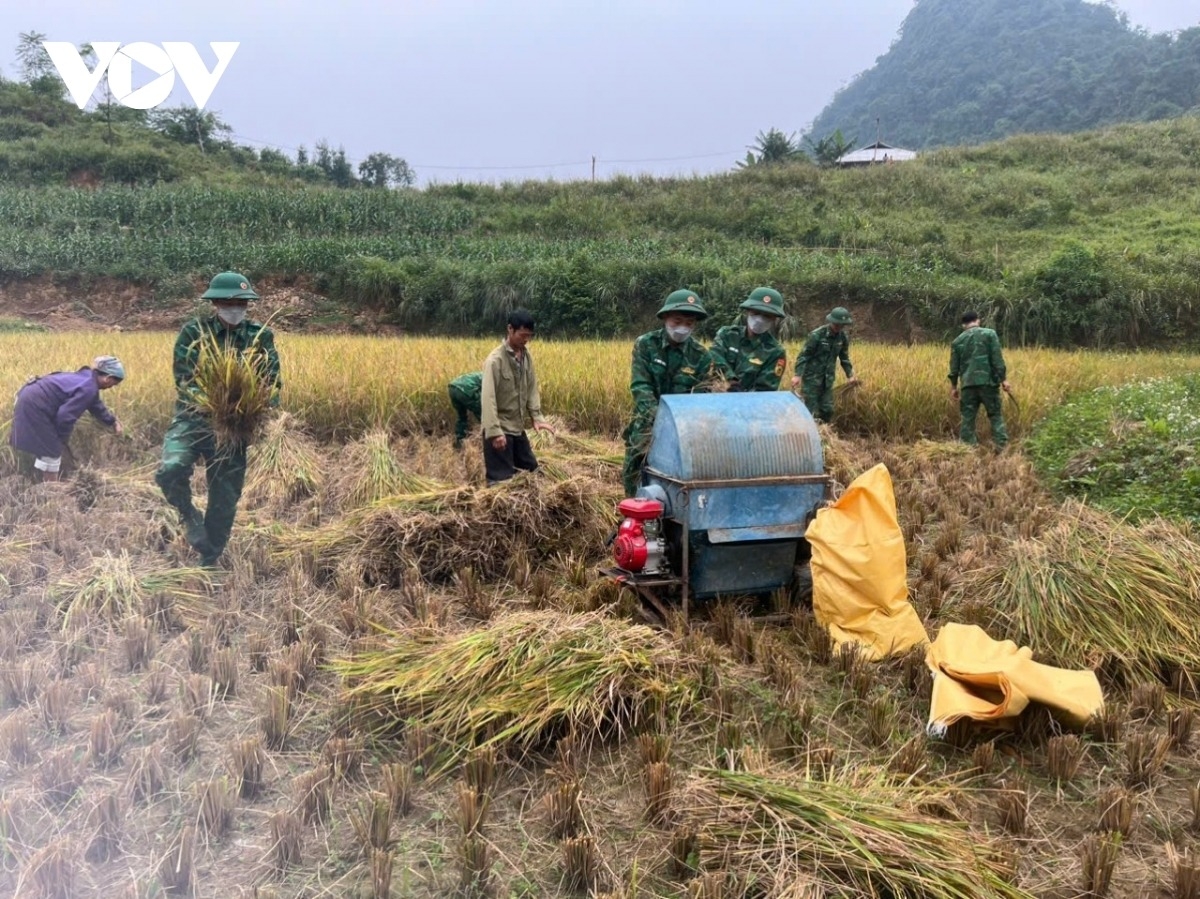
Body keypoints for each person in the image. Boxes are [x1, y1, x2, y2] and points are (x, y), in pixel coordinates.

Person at [155, 272, 281, 567]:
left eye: (240, 302)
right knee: (170, 469)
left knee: (224, 498)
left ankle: (210, 557)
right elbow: (184, 380)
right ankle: (188, 514)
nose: (234, 307)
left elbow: (272, 381)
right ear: (215, 303)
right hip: (194, 418)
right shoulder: (194, 333)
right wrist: (214, 404)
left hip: (235, 427)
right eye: (227, 301)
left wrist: (259, 411)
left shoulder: (260, 336)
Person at [622, 289, 714, 497]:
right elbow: (641, 386)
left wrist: (679, 427)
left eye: (689, 323)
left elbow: (700, 397)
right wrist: (659, 421)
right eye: (677, 321)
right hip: (648, 425)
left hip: (683, 432)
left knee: (678, 479)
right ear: (665, 318)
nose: (682, 327)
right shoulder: (646, 344)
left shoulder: (701, 356)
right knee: (635, 474)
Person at [10, 356, 126, 482]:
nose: (111, 387)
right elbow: (65, 416)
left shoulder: (86, 379)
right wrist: (62, 439)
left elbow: (96, 406)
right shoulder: (89, 388)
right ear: (108, 379)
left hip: (27, 395)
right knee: (52, 449)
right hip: (34, 405)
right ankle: (51, 490)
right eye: (114, 384)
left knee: (47, 445)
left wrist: (112, 421)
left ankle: (39, 480)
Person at [479, 310, 554, 486]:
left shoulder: (526, 357)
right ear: (510, 330)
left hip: (517, 428)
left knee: (531, 472)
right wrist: (494, 432)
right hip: (500, 428)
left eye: (529, 336)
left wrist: (537, 417)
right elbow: (487, 398)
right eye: (522, 335)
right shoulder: (495, 361)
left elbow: (531, 388)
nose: (526, 339)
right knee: (501, 482)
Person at [949, 310, 1011, 449]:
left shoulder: (957, 341)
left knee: (968, 419)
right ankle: (1001, 447)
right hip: (988, 383)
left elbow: (954, 368)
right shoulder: (989, 334)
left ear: (963, 325)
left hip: (968, 386)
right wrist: (1004, 380)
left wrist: (953, 387)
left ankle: (968, 450)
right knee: (995, 415)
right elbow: (997, 359)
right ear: (978, 320)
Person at [709, 287, 787, 392]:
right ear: (748, 311)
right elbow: (714, 356)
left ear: (774, 319)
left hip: (749, 405)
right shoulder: (727, 335)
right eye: (756, 313)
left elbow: (766, 389)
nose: (760, 319)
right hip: (715, 398)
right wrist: (731, 380)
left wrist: (743, 397)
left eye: (767, 316)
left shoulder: (776, 352)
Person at [791, 306, 858, 424]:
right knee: (810, 409)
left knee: (827, 410)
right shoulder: (817, 335)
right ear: (831, 321)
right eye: (837, 324)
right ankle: (808, 435)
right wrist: (798, 375)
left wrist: (850, 375)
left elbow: (844, 358)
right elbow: (804, 356)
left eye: (842, 325)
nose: (839, 328)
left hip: (828, 380)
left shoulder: (843, 338)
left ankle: (825, 433)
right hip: (812, 379)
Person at [447, 371, 482, 449]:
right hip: (466, 389)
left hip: (452, 388)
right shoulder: (489, 377)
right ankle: (488, 440)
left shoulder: (478, 374)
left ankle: (459, 441)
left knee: (461, 416)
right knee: (484, 415)